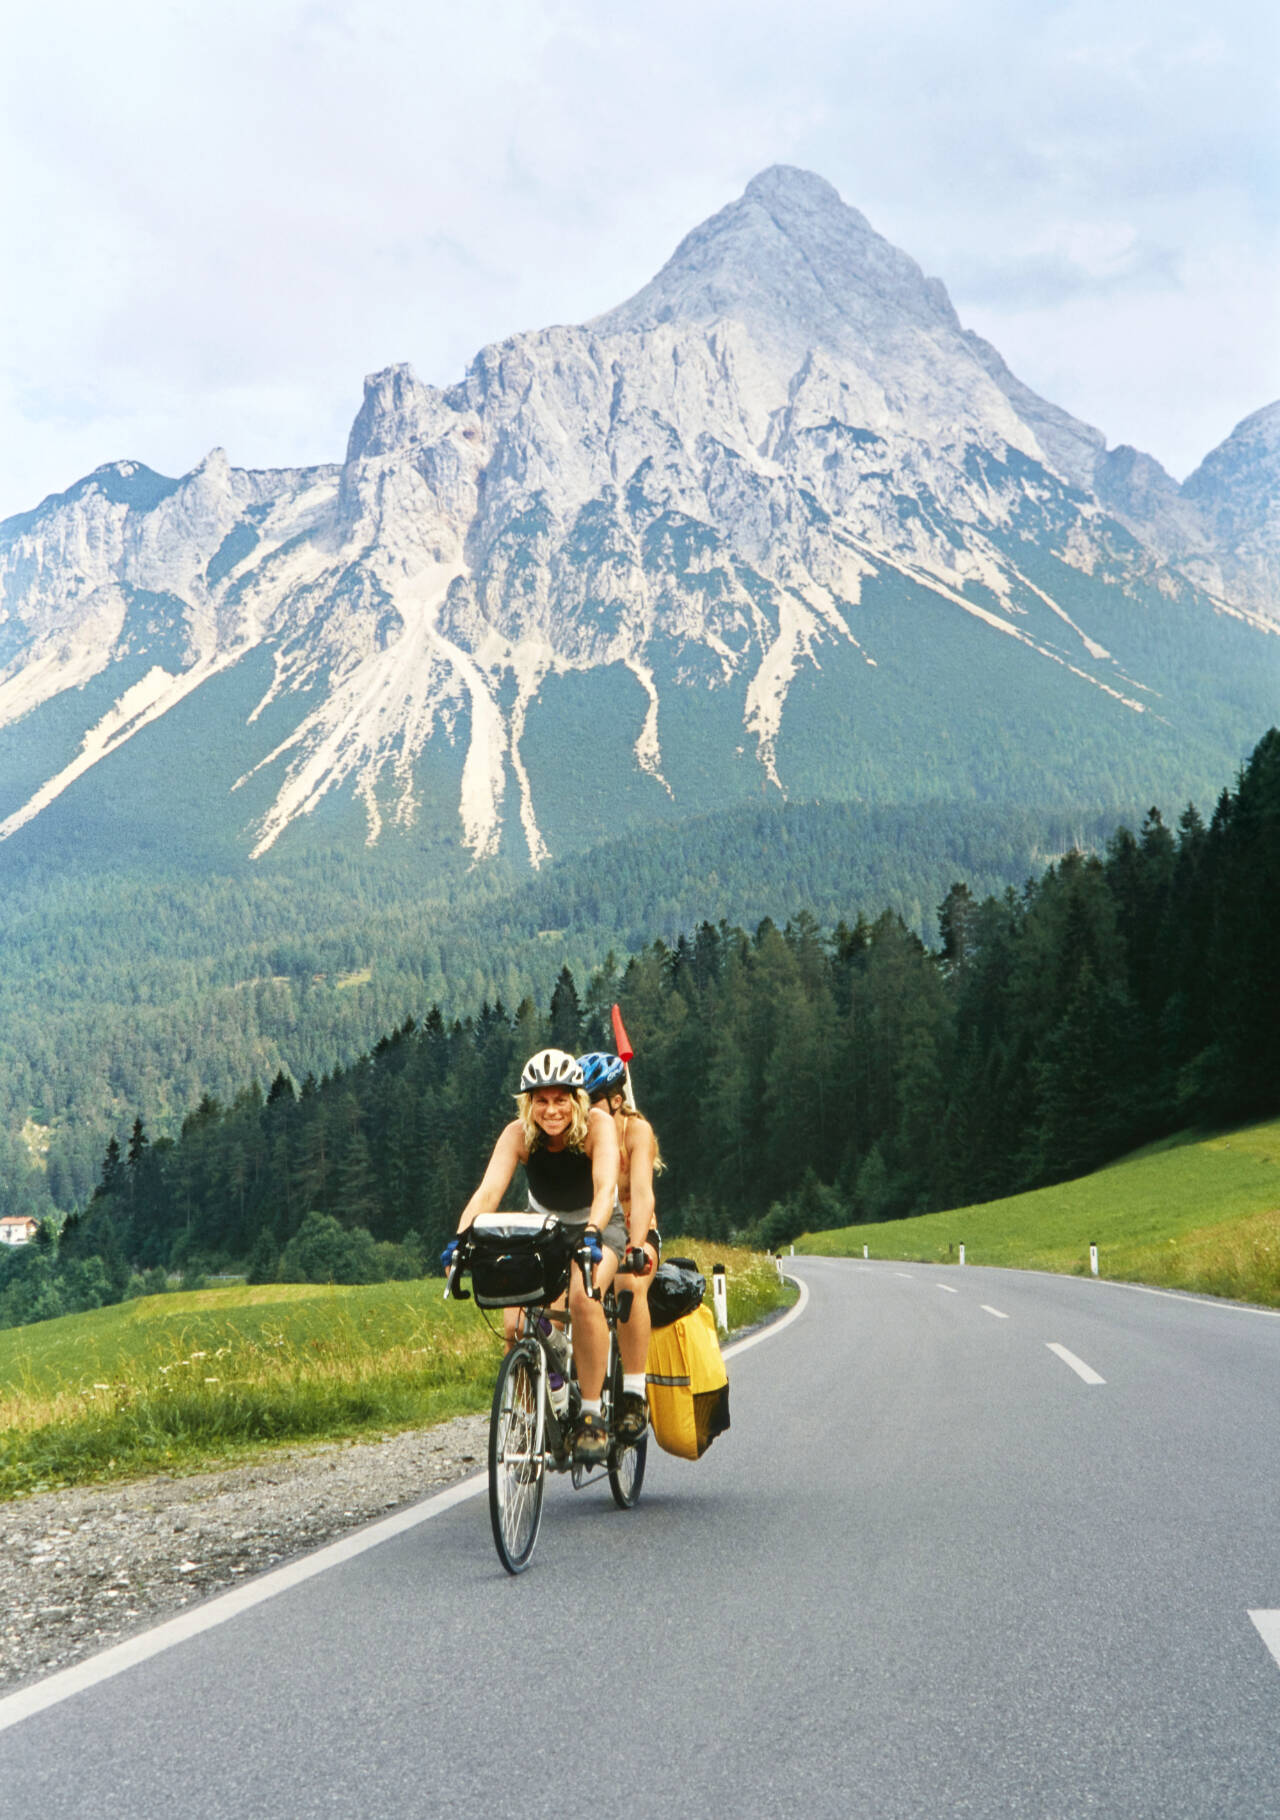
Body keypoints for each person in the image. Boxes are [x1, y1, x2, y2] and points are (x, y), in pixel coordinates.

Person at [444, 1048, 623, 1463]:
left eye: (561, 1099)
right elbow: (488, 1193)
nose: (551, 1109)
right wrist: (459, 1241)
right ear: (529, 1103)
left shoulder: (598, 1127)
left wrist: (594, 1234)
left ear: (577, 1098)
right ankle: (528, 1417)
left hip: (600, 1224)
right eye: (541, 1100)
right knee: (515, 1321)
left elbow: (604, 1189)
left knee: (584, 1296)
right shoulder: (518, 1134)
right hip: (544, 1228)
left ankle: (592, 1416)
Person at [577, 1051, 663, 1443]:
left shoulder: (635, 1131)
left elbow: (643, 1195)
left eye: (593, 1101)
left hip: (636, 1232)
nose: (586, 1110)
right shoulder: (582, 1134)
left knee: (629, 1287)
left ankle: (632, 1394)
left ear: (615, 1098)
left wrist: (638, 1243)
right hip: (594, 1236)